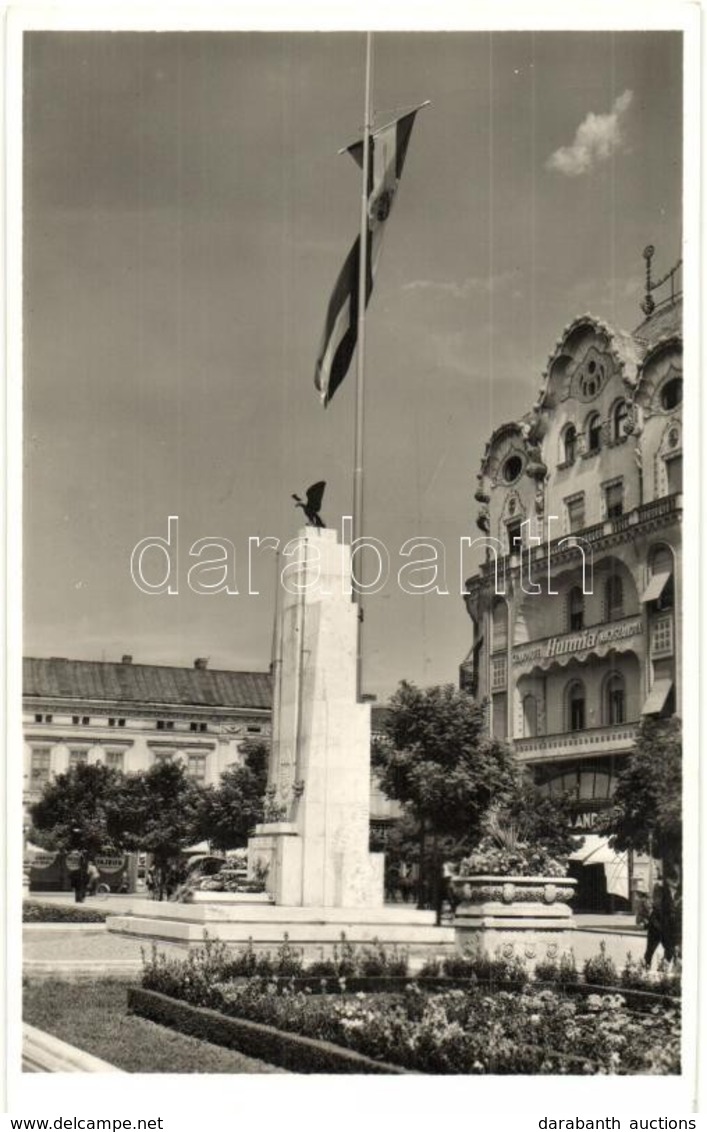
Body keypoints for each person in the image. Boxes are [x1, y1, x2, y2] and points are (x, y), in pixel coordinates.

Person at [644, 876, 678, 968]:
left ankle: (662, 969)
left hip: (666, 924)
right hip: (657, 923)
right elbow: (655, 903)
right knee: (650, 952)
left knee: (669, 951)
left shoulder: (676, 890)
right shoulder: (659, 887)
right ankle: (647, 968)